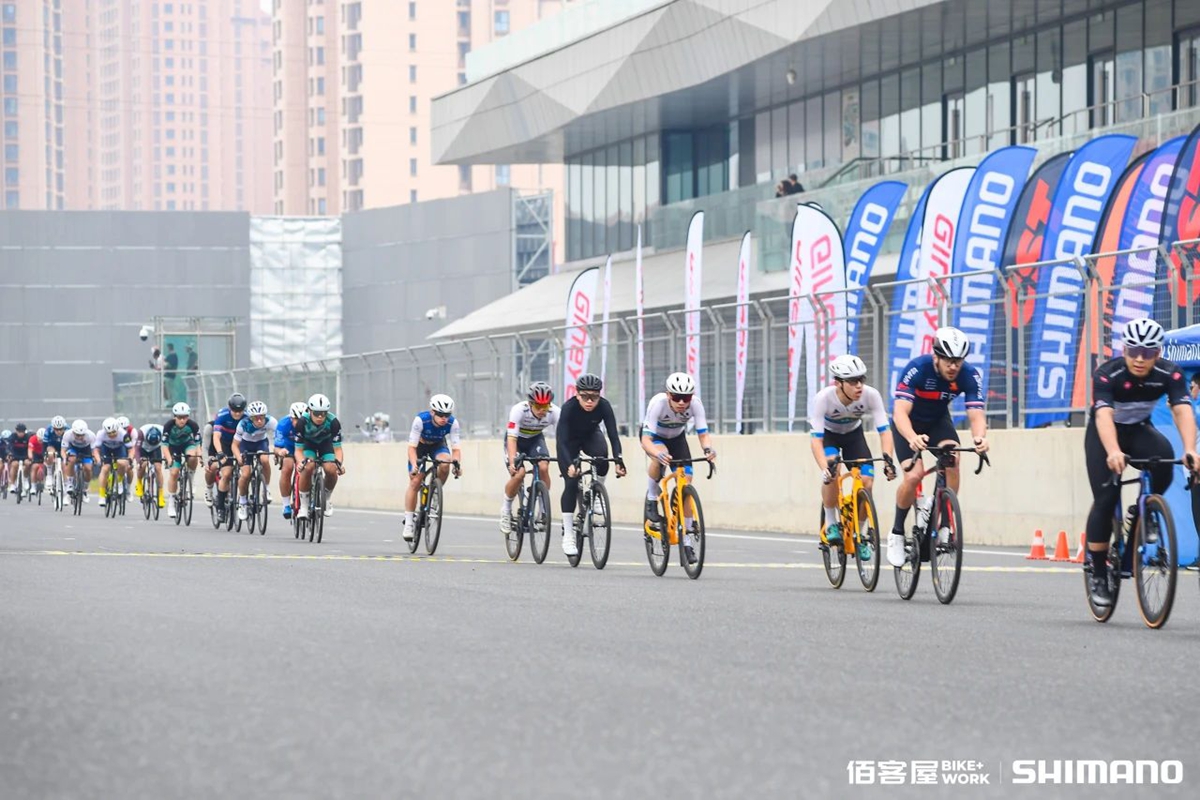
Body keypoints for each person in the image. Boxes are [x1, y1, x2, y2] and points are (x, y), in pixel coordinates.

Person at [1084, 318, 1198, 608]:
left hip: (1138, 430)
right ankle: (1098, 572)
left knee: (1164, 463)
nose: (1139, 359)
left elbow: (1182, 409)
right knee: (1106, 497)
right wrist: (1112, 450)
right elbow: (1103, 416)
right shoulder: (1108, 374)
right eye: (1134, 350)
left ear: (1158, 354)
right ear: (1124, 349)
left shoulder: (1169, 374)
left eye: (1147, 353)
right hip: (1104, 435)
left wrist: (1189, 450)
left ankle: (1142, 510)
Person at [887, 327, 989, 568]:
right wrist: (912, 437)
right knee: (913, 476)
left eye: (958, 361)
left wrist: (980, 438)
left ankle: (944, 523)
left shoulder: (969, 375)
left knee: (953, 458)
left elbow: (976, 414)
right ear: (936, 357)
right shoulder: (917, 369)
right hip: (908, 425)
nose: (953, 367)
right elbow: (900, 411)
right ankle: (897, 532)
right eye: (948, 361)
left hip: (937, 422)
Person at [809, 355, 897, 544]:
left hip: (853, 436)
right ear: (838, 383)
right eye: (853, 381)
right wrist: (825, 468)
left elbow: (885, 431)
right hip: (829, 436)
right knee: (834, 470)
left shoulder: (871, 395)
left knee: (867, 481)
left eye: (861, 380)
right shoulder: (823, 398)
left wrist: (888, 459)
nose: (859, 386)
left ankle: (860, 533)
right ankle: (831, 521)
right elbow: (816, 441)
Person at [640, 372, 716, 565]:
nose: (682, 402)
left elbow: (703, 433)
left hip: (677, 438)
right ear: (668, 395)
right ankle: (651, 498)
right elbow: (645, 440)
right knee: (660, 458)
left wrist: (708, 449)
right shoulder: (658, 403)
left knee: (686, 485)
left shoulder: (696, 404)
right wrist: (656, 454)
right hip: (655, 438)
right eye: (676, 397)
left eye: (686, 398)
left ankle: (687, 542)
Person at [556, 373, 626, 557]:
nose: (589, 401)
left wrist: (619, 459)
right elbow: (561, 440)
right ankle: (569, 534)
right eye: (585, 396)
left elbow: (613, 436)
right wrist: (570, 464)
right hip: (569, 441)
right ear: (577, 394)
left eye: (594, 397)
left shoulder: (604, 406)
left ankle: (596, 494)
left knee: (602, 457)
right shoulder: (569, 408)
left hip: (590, 436)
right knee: (571, 482)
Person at [499, 381, 560, 540]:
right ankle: (506, 509)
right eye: (538, 407)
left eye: (545, 407)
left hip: (535, 440)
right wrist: (513, 462)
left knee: (544, 467)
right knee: (519, 474)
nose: (542, 411)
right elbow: (512, 439)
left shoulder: (555, 412)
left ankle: (542, 506)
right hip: (516, 441)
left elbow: (563, 439)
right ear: (530, 403)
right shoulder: (519, 410)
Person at [403, 394, 462, 541]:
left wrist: (457, 464)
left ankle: (434, 491)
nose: (444, 418)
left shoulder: (453, 423)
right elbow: (411, 448)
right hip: (420, 447)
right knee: (416, 481)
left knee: (446, 463)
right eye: (441, 415)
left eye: (447, 415)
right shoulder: (421, 420)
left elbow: (456, 450)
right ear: (433, 412)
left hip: (437, 445)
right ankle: (409, 522)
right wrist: (415, 465)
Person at [295, 393, 345, 519]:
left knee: (331, 469)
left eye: (323, 413)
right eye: (316, 413)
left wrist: (338, 464)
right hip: (309, 445)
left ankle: (326, 499)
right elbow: (298, 450)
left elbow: (338, 449)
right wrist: (301, 462)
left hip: (325, 445)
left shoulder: (333, 422)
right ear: (310, 411)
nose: (320, 417)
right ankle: (304, 506)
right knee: (308, 467)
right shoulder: (302, 422)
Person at [232, 401, 276, 521]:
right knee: (245, 474)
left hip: (261, 443)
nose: (260, 421)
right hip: (245, 445)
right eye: (256, 418)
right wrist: (238, 457)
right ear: (251, 418)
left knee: (265, 460)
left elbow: (279, 437)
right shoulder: (243, 424)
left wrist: (278, 453)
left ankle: (266, 489)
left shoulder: (271, 421)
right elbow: (235, 445)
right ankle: (242, 502)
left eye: (261, 417)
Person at [208, 392, 248, 512]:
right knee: (226, 474)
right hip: (225, 443)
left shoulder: (247, 417)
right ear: (229, 408)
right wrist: (220, 452)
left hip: (240, 443)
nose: (237, 414)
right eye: (234, 411)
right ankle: (220, 507)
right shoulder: (222, 416)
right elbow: (216, 437)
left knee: (247, 472)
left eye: (240, 411)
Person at [162, 402, 202, 518]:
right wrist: (169, 459)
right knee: (174, 473)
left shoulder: (193, 425)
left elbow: (198, 444)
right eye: (179, 417)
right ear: (175, 417)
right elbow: (164, 446)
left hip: (186, 444)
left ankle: (191, 478)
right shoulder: (168, 426)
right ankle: (171, 502)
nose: (182, 420)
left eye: (185, 417)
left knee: (192, 456)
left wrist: (200, 456)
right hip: (173, 447)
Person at [274, 401, 307, 519]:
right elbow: (276, 447)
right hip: (287, 448)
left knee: (308, 468)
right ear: (290, 417)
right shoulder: (283, 424)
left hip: (303, 448)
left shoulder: (309, 424)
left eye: (301, 420)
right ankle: (286, 504)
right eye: (295, 419)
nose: (298, 423)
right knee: (287, 468)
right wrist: (280, 452)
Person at [92, 417, 132, 508]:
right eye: (109, 433)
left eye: (114, 432)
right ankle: (102, 495)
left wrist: (130, 458)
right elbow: (96, 450)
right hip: (106, 449)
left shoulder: (123, 434)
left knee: (121, 463)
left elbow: (130, 448)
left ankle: (120, 481)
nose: (112, 435)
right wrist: (98, 460)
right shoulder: (100, 434)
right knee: (105, 468)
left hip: (119, 449)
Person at [60, 420, 97, 502]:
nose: (79, 437)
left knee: (88, 468)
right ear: (73, 432)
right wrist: (65, 458)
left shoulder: (91, 435)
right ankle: (69, 484)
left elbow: (94, 451)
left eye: (82, 435)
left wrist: (97, 459)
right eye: (77, 435)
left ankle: (85, 489)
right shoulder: (67, 434)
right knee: (71, 459)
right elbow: (63, 450)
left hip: (86, 450)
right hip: (73, 449)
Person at [137, 423, 166, 509]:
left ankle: (160, 494)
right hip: (143, 448)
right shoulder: (141, 433)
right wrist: (139, 460)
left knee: (158, 468)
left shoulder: (164, 431)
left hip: (156, 448)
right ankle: (139, 482)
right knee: (144, 463)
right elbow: (136, 448)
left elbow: (168, 446)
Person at [40, 416, 68, 497]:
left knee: (64, 466)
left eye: (61, 429)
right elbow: (45, 445)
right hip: (52, 446)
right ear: (53, 428)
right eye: (56, 429)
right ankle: (49, 474)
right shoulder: (48, 430)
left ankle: (66, 485)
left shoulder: (68, 430)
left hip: (64, 447)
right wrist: (44, 454)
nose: (59, 431)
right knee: (50, 453)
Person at [6, 423, 33, 496]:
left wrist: (30, 456)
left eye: (22, 432)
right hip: (15, 456)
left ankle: (25, 478)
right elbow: (8, 446)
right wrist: (9, 453)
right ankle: (12, 484)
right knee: (14, 465)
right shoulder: (12, 437)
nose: (21, 433)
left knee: (27, 464)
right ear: (16, 431)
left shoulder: (28, 437)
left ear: (25, 431)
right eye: (19, 431)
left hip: (25, 456)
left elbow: (31, 447)